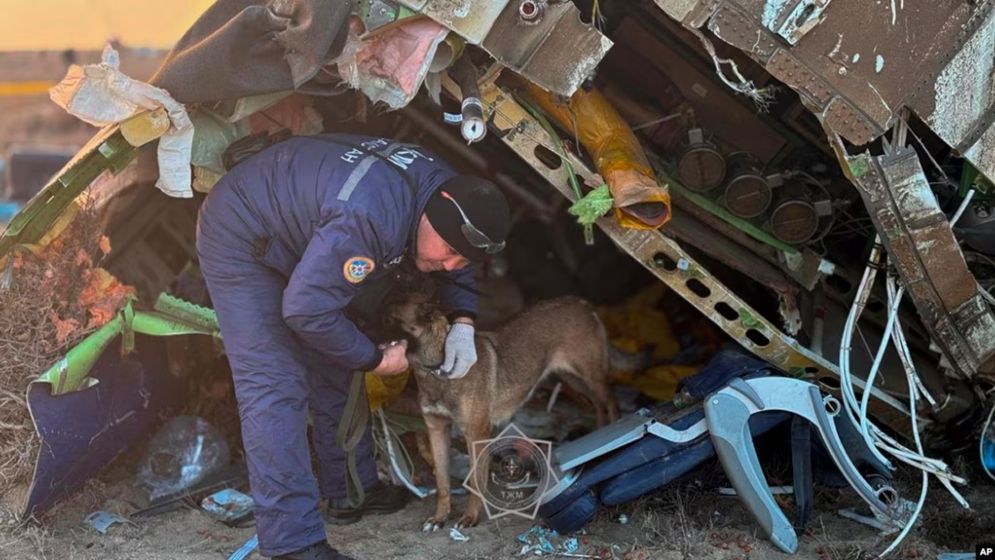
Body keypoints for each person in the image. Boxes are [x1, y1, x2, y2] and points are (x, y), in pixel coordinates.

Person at [195, 134, 511, 560]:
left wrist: (464, 322)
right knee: (274, 383)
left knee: (334, 356)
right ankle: (293, 544)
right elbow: (306, 311)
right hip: (242, 233)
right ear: (429, 220)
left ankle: (350, 490)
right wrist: (376, 359)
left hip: (305, 227)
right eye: (450, 252)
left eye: (464, 259)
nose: (451, 266)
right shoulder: (369, 220)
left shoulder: (446, 191)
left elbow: (455, 258)